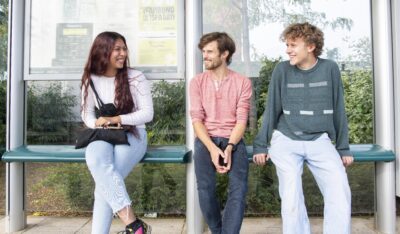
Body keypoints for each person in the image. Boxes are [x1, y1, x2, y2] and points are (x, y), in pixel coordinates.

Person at [253, 22, 353, 234]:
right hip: (286, 139)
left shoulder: (330, 69)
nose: (288, 50)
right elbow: (271, 109)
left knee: (339, 190)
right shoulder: (282, 70)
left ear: (310, 46)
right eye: (287, 45)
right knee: (291, 196)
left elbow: (338, 108)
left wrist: (343, 148)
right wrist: (261, 145)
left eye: (293, 45)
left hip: (319, 140)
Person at [81, 31, 153, 234]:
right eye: (117, 49)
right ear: (103, 52)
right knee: (95, 160)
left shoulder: (136, 77)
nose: (123, 53)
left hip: (133, 134)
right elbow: (86, 113)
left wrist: (117, 119)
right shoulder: (91, 78)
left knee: (105, 186)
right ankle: (134, 225)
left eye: (124, 48)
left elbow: (147, 114)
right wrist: (98, 123)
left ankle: (134, 228)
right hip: (103, 134)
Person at [189, 32, 252, 234]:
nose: (204, 56)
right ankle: (218, 231)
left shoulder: (242, 82)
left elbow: (241, 121)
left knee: (238, 191)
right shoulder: (197, 82)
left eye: (209, 52)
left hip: (234, 139)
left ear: (224, 54)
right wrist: (213, 148)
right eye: (203, 52)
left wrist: (230, 147)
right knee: (205, 189)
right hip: (205, 139)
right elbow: (197, 120)